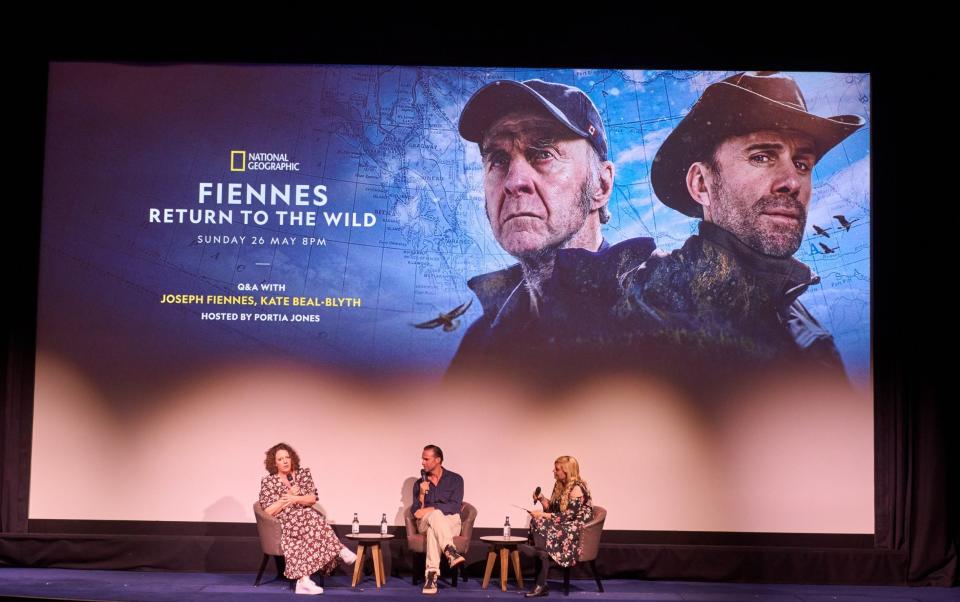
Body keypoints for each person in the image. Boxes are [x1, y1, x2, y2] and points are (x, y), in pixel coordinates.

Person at [611, 71, 866, 386]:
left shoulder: (804, 325)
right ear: (702, 185)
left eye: (802, 164)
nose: (791, 182)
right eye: (761, 157)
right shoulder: (648, 303)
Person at [449, 79, 655, 383]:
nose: (513, 181)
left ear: (601, 184)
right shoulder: (479, 341)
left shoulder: (657, 310)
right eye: (498, 159)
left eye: (543, 153)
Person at [258, 443, 357, 595]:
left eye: (287, 457)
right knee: (309, 516)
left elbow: (311, 499)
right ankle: (339, 549)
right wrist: (289, 497)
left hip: (305, 521)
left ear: (292, 459)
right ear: (274, 462)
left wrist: (295, 498)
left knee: (308, 516)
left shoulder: (303, 474)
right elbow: (269, 510)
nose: (285, 461)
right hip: (283, 521)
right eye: (280, 459)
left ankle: (304, 581)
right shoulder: (268, 482)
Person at [522, 456, 594, 598]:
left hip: (576, 529)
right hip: (564, 524)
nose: (553, 471)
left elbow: (568, 516)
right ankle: (541, 579)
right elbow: (554, 510)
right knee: (537, 522)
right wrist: (541, 499)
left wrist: (542, 515)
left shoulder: (577, 488)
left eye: (557, 469)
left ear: (567, 471)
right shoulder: (560, 485)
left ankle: (541, 580)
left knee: (540, 524)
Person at [411, 444, 465, 595]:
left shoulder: (455, 479)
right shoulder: (419, 483)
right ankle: (450, 551)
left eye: (426, 459)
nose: (422, 462)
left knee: (433, 528)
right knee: (433, 519)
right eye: (422, 459)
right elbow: (416, 511)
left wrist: (431, 509)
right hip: (425, 521)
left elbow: (454, 507)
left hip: (450, 522)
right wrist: (422, 494)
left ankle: (431, 576)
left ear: (438, 460)